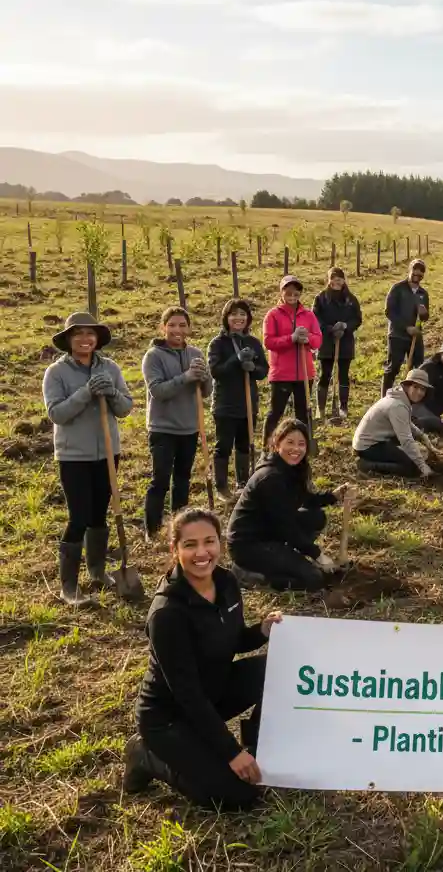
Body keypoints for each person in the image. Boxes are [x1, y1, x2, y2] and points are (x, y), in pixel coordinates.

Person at [123, 508, 282, 810]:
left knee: (277, 670)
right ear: (175, 549)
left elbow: (233, 639)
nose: (201, 553)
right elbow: (188, 695)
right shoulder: (167, 614)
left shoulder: (226, 582)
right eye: (190, 544)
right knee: (238, 796)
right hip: (170, 717)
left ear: (220, 543)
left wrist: (262, 630)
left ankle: (256, 745)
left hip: (213, 692)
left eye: (209, 541)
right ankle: (146, 755)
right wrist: (231, 752)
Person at [42, 312, 133, 606]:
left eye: (90, 333)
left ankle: (97, 571)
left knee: (98, 515)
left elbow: (125, 408)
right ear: (69, 339)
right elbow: (57, 414)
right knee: (78, 517)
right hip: (74, 456)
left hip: (107, 453)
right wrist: (86, 392)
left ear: (97, 339)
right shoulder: (56, 373)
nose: (85, 339)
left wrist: (112, 392)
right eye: (78, 333)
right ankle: (68, 587)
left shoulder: (110, 368)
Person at [227, 418, 343, 591]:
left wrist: (333, 496)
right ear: (277, 443)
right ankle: (251, 576)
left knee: (316, 517)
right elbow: (286, 527)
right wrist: (317, 555)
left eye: (301, 444)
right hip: (249, 545)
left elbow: (304, 499)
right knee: (314, 579)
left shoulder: (292, 469)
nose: (296, 449)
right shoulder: (271, 478)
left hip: (270, 531)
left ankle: (284, 558)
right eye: (290, 442)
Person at [142, 307, 213, 541]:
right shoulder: (153, 356)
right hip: (162, 428)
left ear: (189, 328)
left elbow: (206, 392)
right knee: (161, 480)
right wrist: (186, 377)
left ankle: (179, 527)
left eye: (182, 325)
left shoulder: (195, 353)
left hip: (190, 427)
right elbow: (158, 391)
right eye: (172, 325)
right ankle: (152, 530)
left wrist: (204, 377)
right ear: (163, 328)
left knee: (182, 480)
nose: (177, 330)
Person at [207, 299, 269, 500]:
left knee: (244, 444)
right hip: (225, 404)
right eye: (234, 314)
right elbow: (216, 371)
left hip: (248, 403)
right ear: (226, 318)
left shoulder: (253, 343)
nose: (238, 318)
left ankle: (243, 483)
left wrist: (253, 368)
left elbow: (264, 370)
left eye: (242, 314)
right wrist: (236, 360)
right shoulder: (218, 344)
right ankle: (221, 486)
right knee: (224, 445)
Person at [262, 275, 321, 445]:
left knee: (303, 412)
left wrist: (308, 339)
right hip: (281, 373)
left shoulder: (308, 315)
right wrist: (291, 338)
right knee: (276, 412)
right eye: (288, 292)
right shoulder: (273, 315)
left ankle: (303, 445)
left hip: (305, 372)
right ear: (281, 293)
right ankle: (267, 446)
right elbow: (268, 342)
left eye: (296, 293)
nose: (292, 296)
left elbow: (318, 339)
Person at [352, 367, 434, 478]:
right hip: (368, 446)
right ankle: (367, 465)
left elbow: (406, 423)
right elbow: (406, 440)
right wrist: (422, 466)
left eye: (423, 389)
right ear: (407, 386)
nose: (419, 392)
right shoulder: (398, 405)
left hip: (376, 439)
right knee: (412, 469)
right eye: (415, 387)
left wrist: (422, 436)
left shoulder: (401, 398)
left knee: (413, 457)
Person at [312, 266, 362, 420]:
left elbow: (357, 319)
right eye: (334, 278)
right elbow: (315, 318)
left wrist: (345, 326)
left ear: (343, 280)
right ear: (329, 280)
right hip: (326, 341)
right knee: (325, 374)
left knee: (343, 375)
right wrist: (330, 329)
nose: (337, 281)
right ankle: (320, 408)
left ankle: (343, 407)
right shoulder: (321, 298)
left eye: (340, 278)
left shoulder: (351, 299)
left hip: (345, 341)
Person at [381, 258, 429, 395]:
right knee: (393, 367)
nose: (417, 274)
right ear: (410, 270)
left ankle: (410, 398)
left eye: (421, 272)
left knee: (417, 369)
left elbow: (425, 317)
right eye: (415, 270)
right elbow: (389, 311)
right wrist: (406, 327)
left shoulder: (423, 294)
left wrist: (424, 314)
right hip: (397, 335)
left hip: (415, 337)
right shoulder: (398, 289)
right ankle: (385, 398)